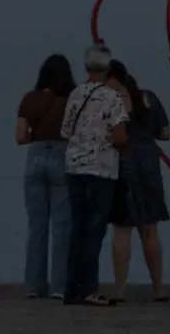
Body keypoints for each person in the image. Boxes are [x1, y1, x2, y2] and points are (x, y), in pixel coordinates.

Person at [59, 44, 130, 306]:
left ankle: (71, 287)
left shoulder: (76, 94)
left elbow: (65, 131)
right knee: (94, 230)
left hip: (74, 167)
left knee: (77, 228)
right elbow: (121, 137)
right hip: (100, 169)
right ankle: (89, 288)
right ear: (108, 68)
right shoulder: (112, 97)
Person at [105, 59, 170, 303]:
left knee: (122, 230)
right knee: (150, 230)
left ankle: (120, 290)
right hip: (149, 163)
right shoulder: (148, 97)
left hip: (122, 163)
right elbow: (166, 133)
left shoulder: (110, 99)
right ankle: (159, 288)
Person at [15, 53, 76, 299]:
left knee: (37, 225)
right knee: (62, 226)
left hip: (36, 156)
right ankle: (59, 287)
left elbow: (20, 137)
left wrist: (37, 136)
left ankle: (33, 286)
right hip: (62, 156)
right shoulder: (72, 99)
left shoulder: (29, 99)